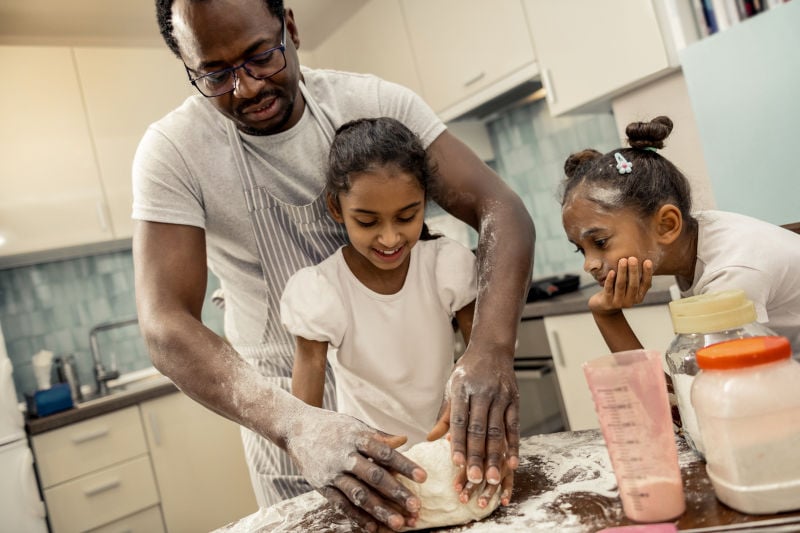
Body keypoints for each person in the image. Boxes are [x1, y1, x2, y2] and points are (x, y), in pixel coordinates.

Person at [133, 1, 535, 531]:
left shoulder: (373, 103)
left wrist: (488, 350)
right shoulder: (174, 152)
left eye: (260, 57)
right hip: (278, 406)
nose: (246, 88)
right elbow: (164, 323)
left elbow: (500, 208)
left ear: (290, 27)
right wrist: (298, 426)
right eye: (216, 74)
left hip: (414, 398)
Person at [281, 117, 508, 508]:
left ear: (425, 201)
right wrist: (322, 455)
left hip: (453, 448)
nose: (390, 238)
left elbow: (484, 359)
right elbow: (306, 414)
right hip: (371, 468)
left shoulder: (444, 265)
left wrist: (483, 426)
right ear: (337, 207)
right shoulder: (322, 290)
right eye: (367, 221)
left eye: (407, 217)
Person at [560, 115, 800, 354]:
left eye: (600, 242)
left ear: (667, 225)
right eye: (581, 249)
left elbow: (704, 389)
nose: (589, 265)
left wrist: (607, 317)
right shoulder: (694, 242)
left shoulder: (731, 274)